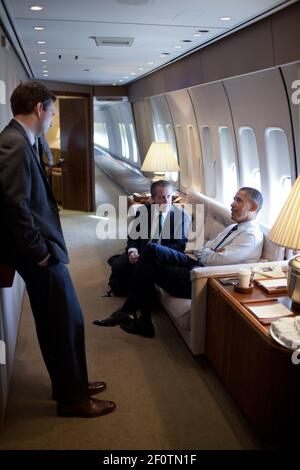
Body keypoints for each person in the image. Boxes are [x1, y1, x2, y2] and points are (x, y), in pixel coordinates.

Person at [0, 81, 115, 418]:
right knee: (65, 322)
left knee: (57, 322)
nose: (52, 120)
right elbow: (13, 204)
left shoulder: (21, 140)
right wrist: (38, 251)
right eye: (51, 113)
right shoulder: (14, 143)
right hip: (36, 253)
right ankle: (74, 398)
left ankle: (69, 385)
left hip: (37, 249)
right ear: (39, 109)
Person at [93, 187, 263, 338]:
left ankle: (130, 313)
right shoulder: (234, 227)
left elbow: (211, 261)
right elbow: (206, 249)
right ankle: (141, 321)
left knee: (150, 255)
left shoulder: (250, 236)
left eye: (238, 201)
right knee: (151, 252)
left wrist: (207, 252)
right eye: (233, 199)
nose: (232, 204)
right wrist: (208, 251)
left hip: (201, 278)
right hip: (196, 263)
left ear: (254, 207)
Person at [107, 179, 191, 296]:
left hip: (161, 257)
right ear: (153, 198)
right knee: (118, 268)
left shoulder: (182, 216)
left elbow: (179, 245)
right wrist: (133, 251)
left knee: (143, 274)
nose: (166, 201)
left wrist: (155, 253)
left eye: (169, 196)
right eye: (161, 197)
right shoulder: (143, 211)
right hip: (140, 252)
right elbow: (133, 237)